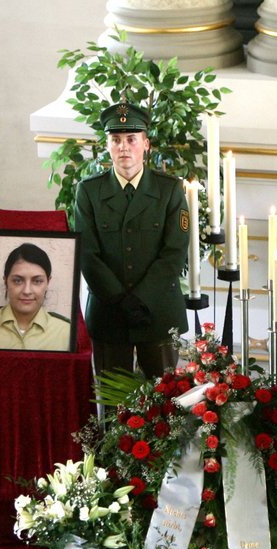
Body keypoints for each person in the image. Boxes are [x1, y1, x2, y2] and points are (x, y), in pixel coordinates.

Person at [75, 102, 190, 379]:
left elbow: (174, 253)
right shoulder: (89, 191)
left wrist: (141, 300)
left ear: (146, 144)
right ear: (107, 145)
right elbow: (87, 254)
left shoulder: (169, 190)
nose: (123, 147)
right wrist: (120, 300)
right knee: (112, 400)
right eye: (116, 139)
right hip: (109, 313)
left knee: (163, 397)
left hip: (158, 311)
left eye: (131, 139)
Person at [0, 243, 71, 351]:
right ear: (6, 281)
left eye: (37, 281)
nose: (27, 291)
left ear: (48, 282)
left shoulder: (66, 331)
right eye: (17, 281)